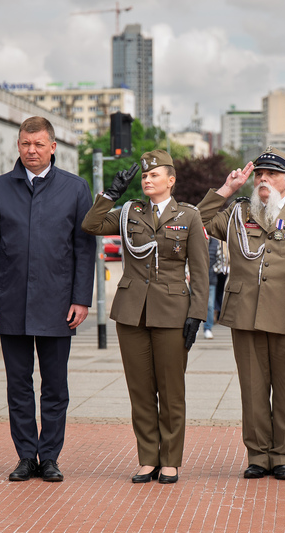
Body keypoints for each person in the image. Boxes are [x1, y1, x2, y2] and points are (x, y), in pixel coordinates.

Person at [0, 116, 95, 483]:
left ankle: (50, 457)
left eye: (39, 144)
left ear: (53, 146)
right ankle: (26, 456)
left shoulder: (76, 190)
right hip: (9, 301)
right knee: (18, 385)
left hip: (58, 302)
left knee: (55, 387)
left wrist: (81, 298)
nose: (32, 150)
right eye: (26, 144)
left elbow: (84, 249)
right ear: (18, 145)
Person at [81, 150, 208, 484]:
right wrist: (110, 195)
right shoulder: (128, 212)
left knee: (171, 390)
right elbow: (91, 224)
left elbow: (200, 269)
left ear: (171, 180)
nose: (148, 180)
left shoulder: (189, 216)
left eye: (155, 175)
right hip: (132, 311)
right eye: (145, 176)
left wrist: (197, 314)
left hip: (171, 311)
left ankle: (171, 460)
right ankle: (148, 458)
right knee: (140, 390)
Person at [197, 147, 285, 480]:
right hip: (245, 313)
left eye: (272, 174)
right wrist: (227, 190)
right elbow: (197, 220)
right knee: (252, 389)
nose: (264, 179)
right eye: (260, 174)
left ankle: (283, 456)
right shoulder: (237, 212)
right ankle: (258, 456)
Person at [203, 236, 221, 339]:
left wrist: (214, 271)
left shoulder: (215, 243)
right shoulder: (195, 238)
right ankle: (193, 328)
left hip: (211, 279)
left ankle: (208, 328)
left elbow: (220, 260)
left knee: (210, 305)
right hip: (196, 279)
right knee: (192, 304)